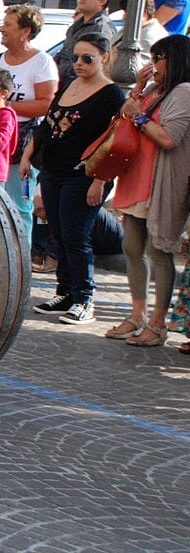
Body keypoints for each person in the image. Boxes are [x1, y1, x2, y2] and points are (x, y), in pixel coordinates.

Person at [22, 33, 126, 326]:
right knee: (58, 233)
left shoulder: (111, 95)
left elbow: (113, 142)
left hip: (84, 175)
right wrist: (30, 153)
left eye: (87, 58)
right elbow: (49, 123)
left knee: (76, 236)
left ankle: (84, 298)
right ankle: (65, 292)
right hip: (53, 170)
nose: (78, 63)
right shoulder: (69, 84)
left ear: (104, 58)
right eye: (75, 58)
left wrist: (100, 180)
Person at [105, 34, 190, 346]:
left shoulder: (183, 92)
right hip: (137, 177)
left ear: (175, 60)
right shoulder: (156, 90)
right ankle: (136, 314)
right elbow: (123, 122)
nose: (154, 65)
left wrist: (138, 114)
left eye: (159, 58)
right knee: (131, 246)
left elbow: (169, 138)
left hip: (161, 182)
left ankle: (158, 323)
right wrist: (138, 91)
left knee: (158, 251)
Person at [0, 4, 59, 239]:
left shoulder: (41, 62)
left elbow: (47, 104)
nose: (1, 30)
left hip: (23, 139)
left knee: (19, 205)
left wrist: (6, 107)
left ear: (25, 31)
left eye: (8, 25)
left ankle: (20, 261)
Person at [53, 0, 117, 81]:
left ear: (102, 1)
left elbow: (95, 65)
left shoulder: (101, 28)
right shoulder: (77, 25)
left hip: (79, 84)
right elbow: (63, 54)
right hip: (61, 81)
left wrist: (56, 71)